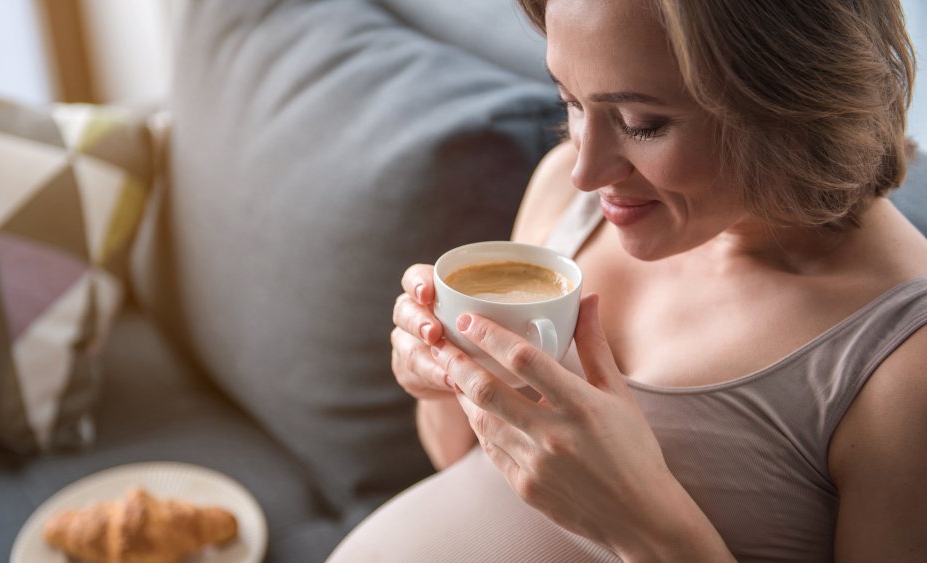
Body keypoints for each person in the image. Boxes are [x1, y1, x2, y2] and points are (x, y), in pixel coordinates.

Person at [329, 0, 927, 561]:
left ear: (795, 97)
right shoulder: (564, 193)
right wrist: (440, 379)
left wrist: (647, 527)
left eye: (641, 124)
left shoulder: (902, 361)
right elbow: (460, 465)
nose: (586, 170)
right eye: (569, 100)